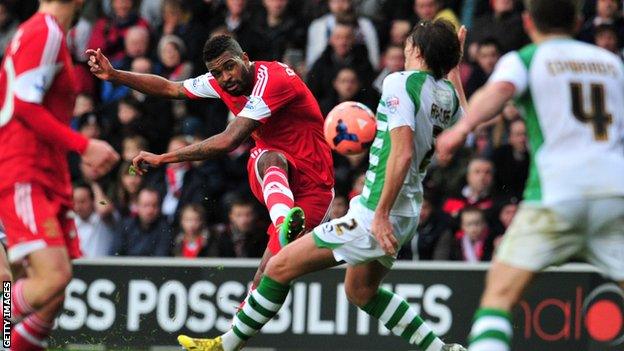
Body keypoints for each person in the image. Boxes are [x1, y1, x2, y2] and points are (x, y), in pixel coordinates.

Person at [177, 20, 467, 351]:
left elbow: (400, 156)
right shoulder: (447, 97)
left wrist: (381, 213)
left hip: (377, 212)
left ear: (417, 50)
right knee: (360, 292)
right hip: (408, 211)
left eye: (408, 44)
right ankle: (442, 350)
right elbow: (465, 123)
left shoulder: (399, 83)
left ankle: (223, 346)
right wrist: (453, 70)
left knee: (278, 267)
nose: (403, 48)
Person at [435, 1, 624, 350]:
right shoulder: (612, 64)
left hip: (556, 194)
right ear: (579, 21)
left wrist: (462, 130)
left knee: (499, 295)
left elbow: (500, 92)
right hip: (616, 193)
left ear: (527, 22)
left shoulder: (526, 58)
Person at [87, 34, 334, 287]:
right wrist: (115, 74)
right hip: (276, 176)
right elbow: (171, 88)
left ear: (245, 59)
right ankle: (284, 223)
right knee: (266, 155)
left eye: (230, 66)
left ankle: (236, 327)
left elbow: (229, 140)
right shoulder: (219, 82)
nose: (225, 77)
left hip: (314, 184)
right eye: (217, 72)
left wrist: (165, 158)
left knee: (268, 276)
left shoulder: (274, 80)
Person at [0, 1, 119, 350]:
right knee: (38, 279)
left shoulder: (49, 35)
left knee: (51, 291)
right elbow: (22, 104)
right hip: (22, 171)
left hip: (44, 174)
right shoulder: (45, 31)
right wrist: (84, 145)